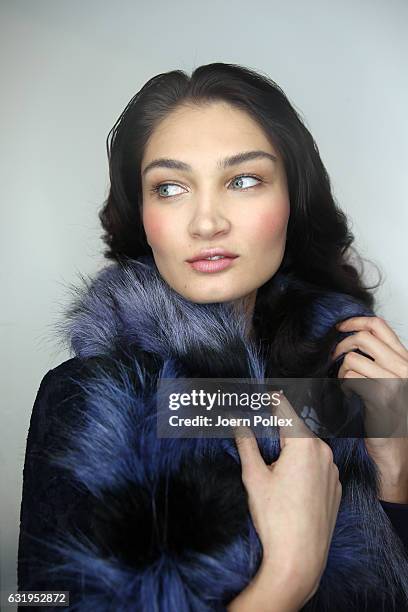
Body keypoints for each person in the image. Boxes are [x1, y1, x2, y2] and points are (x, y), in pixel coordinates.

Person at [18, 62, 408, 611]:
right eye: (171, 187)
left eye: (244, 180)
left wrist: (394, 475)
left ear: (293, 200)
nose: (206, 222)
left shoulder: (347, 390)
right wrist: (286, 580)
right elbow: (41, 602)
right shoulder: (89, 399)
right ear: (142, 213)